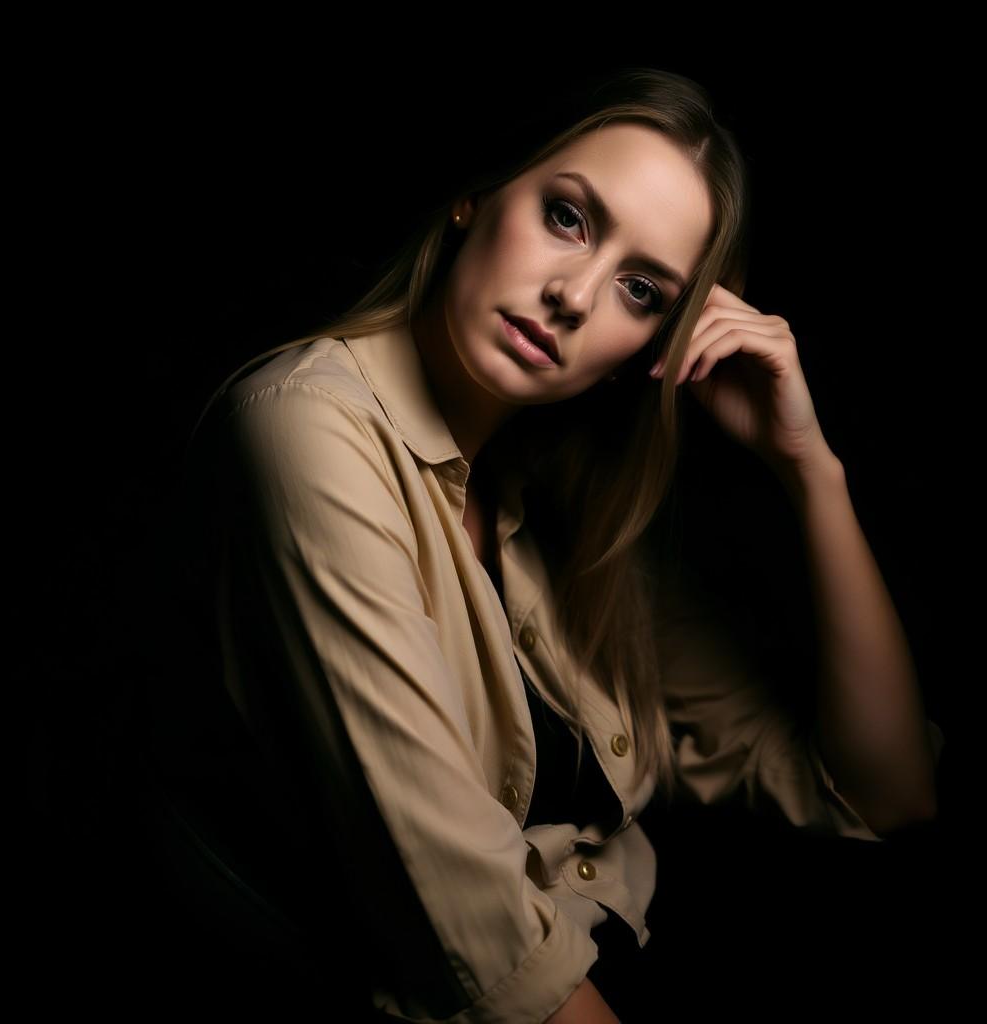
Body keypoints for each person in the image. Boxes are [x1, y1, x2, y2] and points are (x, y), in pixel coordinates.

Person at [164, 67, 945, 1021]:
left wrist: (810, 469)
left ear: (653, 346)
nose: (575, 297)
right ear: (474, 196)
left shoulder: (562, 503)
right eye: (568, 217)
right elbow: (483, 943)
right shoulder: (304, 428)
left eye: (642, 288)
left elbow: (886, 791)